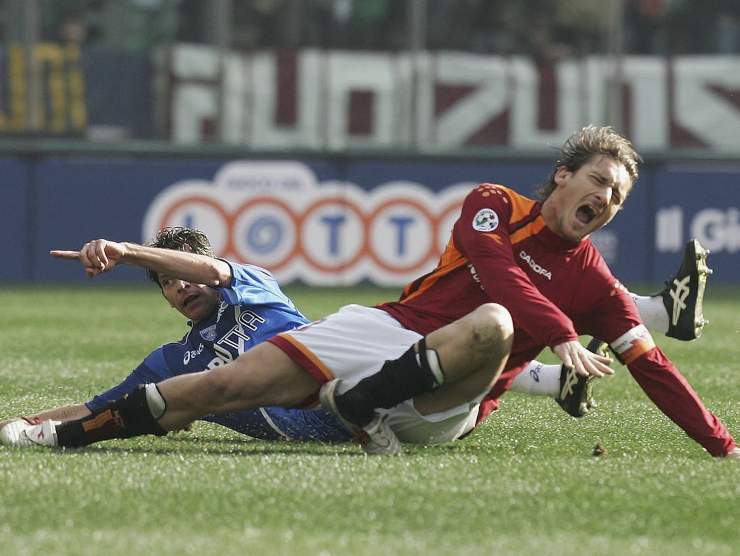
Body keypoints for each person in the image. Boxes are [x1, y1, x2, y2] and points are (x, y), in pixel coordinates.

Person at [3, 126, 735, 459]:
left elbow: (652, 368)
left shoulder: (595, 283)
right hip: (383, 333)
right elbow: (502, 264)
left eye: (619, 195)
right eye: (600, 182)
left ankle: (362, 405)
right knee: (213, 387)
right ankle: (57, 438)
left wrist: (721, 444)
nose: (607, 199)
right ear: (563, 177)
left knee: (492, 321)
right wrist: (567, 334)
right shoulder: (492, 204)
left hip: (449, 400)